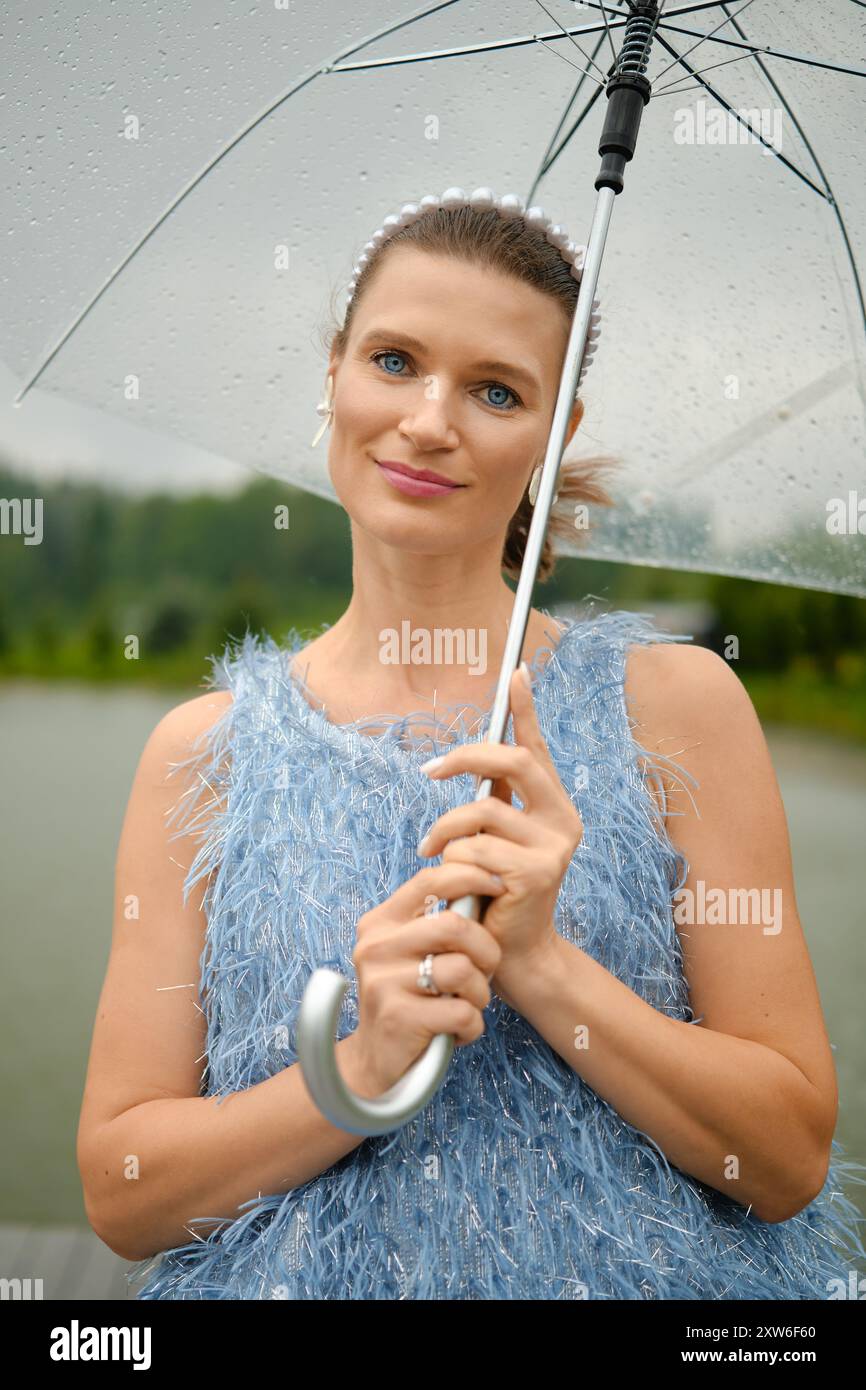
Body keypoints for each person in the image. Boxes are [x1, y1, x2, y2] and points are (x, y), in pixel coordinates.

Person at [77, 190, 866, 1299]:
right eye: (393, 360)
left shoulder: (677, 708)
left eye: (495, 389)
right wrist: (358, 1068)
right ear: (333, 373)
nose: (430, 420)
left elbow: (782, 1161)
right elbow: (122, 1194)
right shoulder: (199, 755)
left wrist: (544, 967)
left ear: (556, 434)